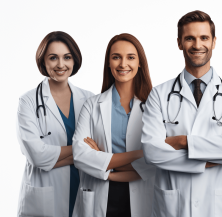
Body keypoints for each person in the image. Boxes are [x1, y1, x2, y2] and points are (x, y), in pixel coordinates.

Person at [141, 10, 222, 217]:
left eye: (204, 38)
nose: (197, 45)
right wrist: (216, 151)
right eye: (189, 38)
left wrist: (183, 141)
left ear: (213, 42)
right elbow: (152, 152)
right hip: (175, 206)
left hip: (221, 208)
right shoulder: (159, 94)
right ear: (179, 43)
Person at [72, 33, 156, 217]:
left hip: (142, 196)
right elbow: (79, 155)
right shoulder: (92, 105)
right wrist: (141, 154)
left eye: (130, 57)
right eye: (116, 57)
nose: (123, 64)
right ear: (108, 63)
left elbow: (156, 163)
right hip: (99, 198)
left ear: (140, 63)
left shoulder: (154, 107)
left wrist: (103, 162)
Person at [16, 31, 94, 217]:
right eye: (53, 58)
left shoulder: (89, 99)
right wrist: (82, 152)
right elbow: (37, 156)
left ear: (74, 60)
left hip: (82, 190)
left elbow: (101, 151)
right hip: (44, 198)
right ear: (43, 61)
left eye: (67, 57)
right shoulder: (28, 102)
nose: (61, 64)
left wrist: (53, 158)